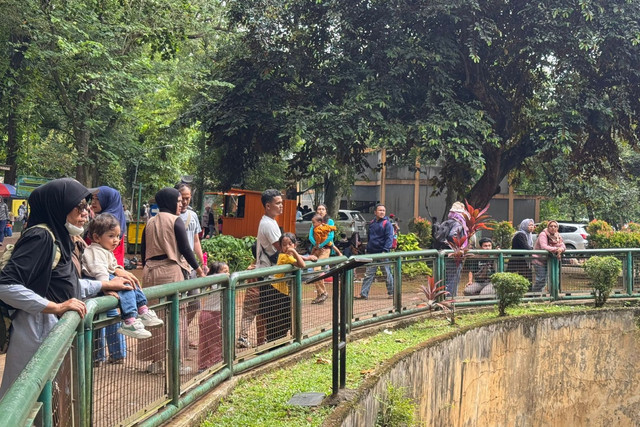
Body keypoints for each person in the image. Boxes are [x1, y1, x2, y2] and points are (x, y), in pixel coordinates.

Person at [0, 178, 134, 397]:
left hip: (51, 333)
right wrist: (55, 307)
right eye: (79, 206)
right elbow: (5, 285)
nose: (87, 212)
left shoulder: (61, 238)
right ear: (58, 206)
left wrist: (104, 284)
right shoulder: (41, 237)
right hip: (36, 334)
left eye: (87, 205)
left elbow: (64, 285)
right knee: (24, 402)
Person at [138, 187, 206, 375]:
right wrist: (199, 270)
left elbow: (143, 252)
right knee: (176, 316)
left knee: (152, 316)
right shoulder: (176, 221)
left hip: (150, 272)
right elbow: (186, 249)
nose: (181, 204)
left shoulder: (150, 222)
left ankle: (155, 362)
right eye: (177, 201)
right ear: (169, 202)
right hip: (170, 271)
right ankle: (174, 363)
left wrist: (147, 268)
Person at [82, 213, 163, 339]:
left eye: (118, 236)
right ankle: (129, 319)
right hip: (98, 281)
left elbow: (114, 266)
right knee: (125, 285)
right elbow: (99, 270)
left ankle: (142, 308)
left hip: (105, 278)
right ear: (96, 237)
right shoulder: (94, 251)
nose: (116, 240)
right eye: (111, 236)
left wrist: (121, 272)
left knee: (129, 280)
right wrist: (106, 287)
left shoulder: (106, 250)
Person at [89, 186, 129, 364]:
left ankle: (98, 355)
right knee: (111, 309)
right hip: (115, 267)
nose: (94, 202)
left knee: (101, 310)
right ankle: (117, 353)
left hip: (104, 270)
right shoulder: (118, 218)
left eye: (97, 199)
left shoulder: (102, 222)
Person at [175, 183, 208, 356]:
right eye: (183, 197)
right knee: (178, 304)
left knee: (194, 302)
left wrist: (202, 262)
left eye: (188, 198)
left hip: (192, 265)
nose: (186, 201)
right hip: (177, 265)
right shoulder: (171, 216)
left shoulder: (193, 215)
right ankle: (177, 338)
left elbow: (195, 240)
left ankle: (183, 333)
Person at [263, 232, 308, 341]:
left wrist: (309, 257)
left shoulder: (289, 256)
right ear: (280, 247)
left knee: (284, 320)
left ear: (295, 244)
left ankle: (279, 343)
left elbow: (299, 259)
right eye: (284, 245)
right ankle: (274, 345)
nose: (287, 247)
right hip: (276, 292)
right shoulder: (284, 256)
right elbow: (302, 265)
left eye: (290, 244)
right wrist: (294, 251)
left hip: (282, 292)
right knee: (276, 321)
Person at [255, 189, 285, 343]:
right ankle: (262, 342)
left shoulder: (271, 222)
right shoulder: (268, 224)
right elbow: (282, 249)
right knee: (266, 310)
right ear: (268, 206)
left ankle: (264, 342)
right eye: (278, 203)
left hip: (269, 272)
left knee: (266, 308)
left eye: (281, 202)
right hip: (268, 273)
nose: (281, 206)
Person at [355, 204, 394, 300]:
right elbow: (370, 237)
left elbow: (389, 238)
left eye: (383, 211)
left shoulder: (387, 224)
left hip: (382, 253)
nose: (382, 212)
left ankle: (392, 293)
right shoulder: (372, 223)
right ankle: (364, 294)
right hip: (372, 252)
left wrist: (385, 251)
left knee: (387, 274)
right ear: (375, 212)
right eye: (380, 210)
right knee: (368, 274)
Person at [198, 261, 228, 372]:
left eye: (228, 271)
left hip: (204, 314)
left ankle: (203, 366)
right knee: (216, 341)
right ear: (216, 273)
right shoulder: (217, 281)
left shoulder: (211, 282)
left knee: (205, 342)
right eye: (224, 271)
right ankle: (217, 365)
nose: (227, 273)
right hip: (213, 315)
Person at [308, 204, 339, 304]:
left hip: (325, 249)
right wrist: (316, 245)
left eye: (323, 209)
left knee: (316, 269)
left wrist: (321, 245)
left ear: (326, 211)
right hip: (316, 248)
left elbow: (331, 237)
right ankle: (320, 295)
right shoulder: (314, 222)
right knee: (314, 271)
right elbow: (310, 236)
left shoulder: (329, 222)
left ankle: (323, 293)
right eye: (319, 209)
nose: (321, 211)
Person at [532, 220, 565, 292]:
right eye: (551, 226)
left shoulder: (558, 235)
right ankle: (534, 294)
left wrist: (561, 249)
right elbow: (544, 246)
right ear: (548, 227)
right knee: (541, 279)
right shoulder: (543, 234)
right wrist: (557, 249)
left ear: (557, 228)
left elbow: (563, 245)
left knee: (547, 279)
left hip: (549, 260)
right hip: (538, 260)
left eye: (555, 226)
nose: (553, 228)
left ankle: (539, 295)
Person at [506, 219, 535, 284]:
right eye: (529, 225)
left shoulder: (529, 235)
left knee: (526, 279)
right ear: (524, 225)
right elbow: (526, 247)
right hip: (517, 261)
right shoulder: (520, 235)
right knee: (513, 279)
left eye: (532, 225)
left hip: (524, 261)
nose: (531, 226)